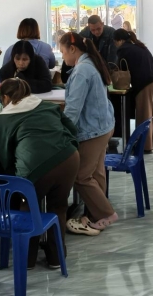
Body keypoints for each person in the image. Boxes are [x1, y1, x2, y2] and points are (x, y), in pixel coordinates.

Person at [0, 78, 80, 269]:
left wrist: (18, 177)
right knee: (59, 207)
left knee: (29, 209)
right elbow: (72, 129)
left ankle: (27, 260)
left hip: (34, 167)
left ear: (5, 97)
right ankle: (56, 258)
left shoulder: (4, 118)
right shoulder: (48, 106)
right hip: (69, 159)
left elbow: (3, 154)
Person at [58, 32, 117, 235]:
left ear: (73, 49)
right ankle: (94, 216)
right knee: (96, 173)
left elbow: (73, 109)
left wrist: (62, 133)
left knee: (81, 176)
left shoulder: (82, 70)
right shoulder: (90, 63)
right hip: (103, 125)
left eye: (63, 52)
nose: (63, 57)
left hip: (93, 131)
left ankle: (105, 214)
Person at [114, 29, 153, 153]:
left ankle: (146, 147)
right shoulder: (139, 46)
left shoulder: (123, 49)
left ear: (119, 41)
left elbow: (121, 69)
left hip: (146, 84)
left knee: (144, 116)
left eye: (115, 42)